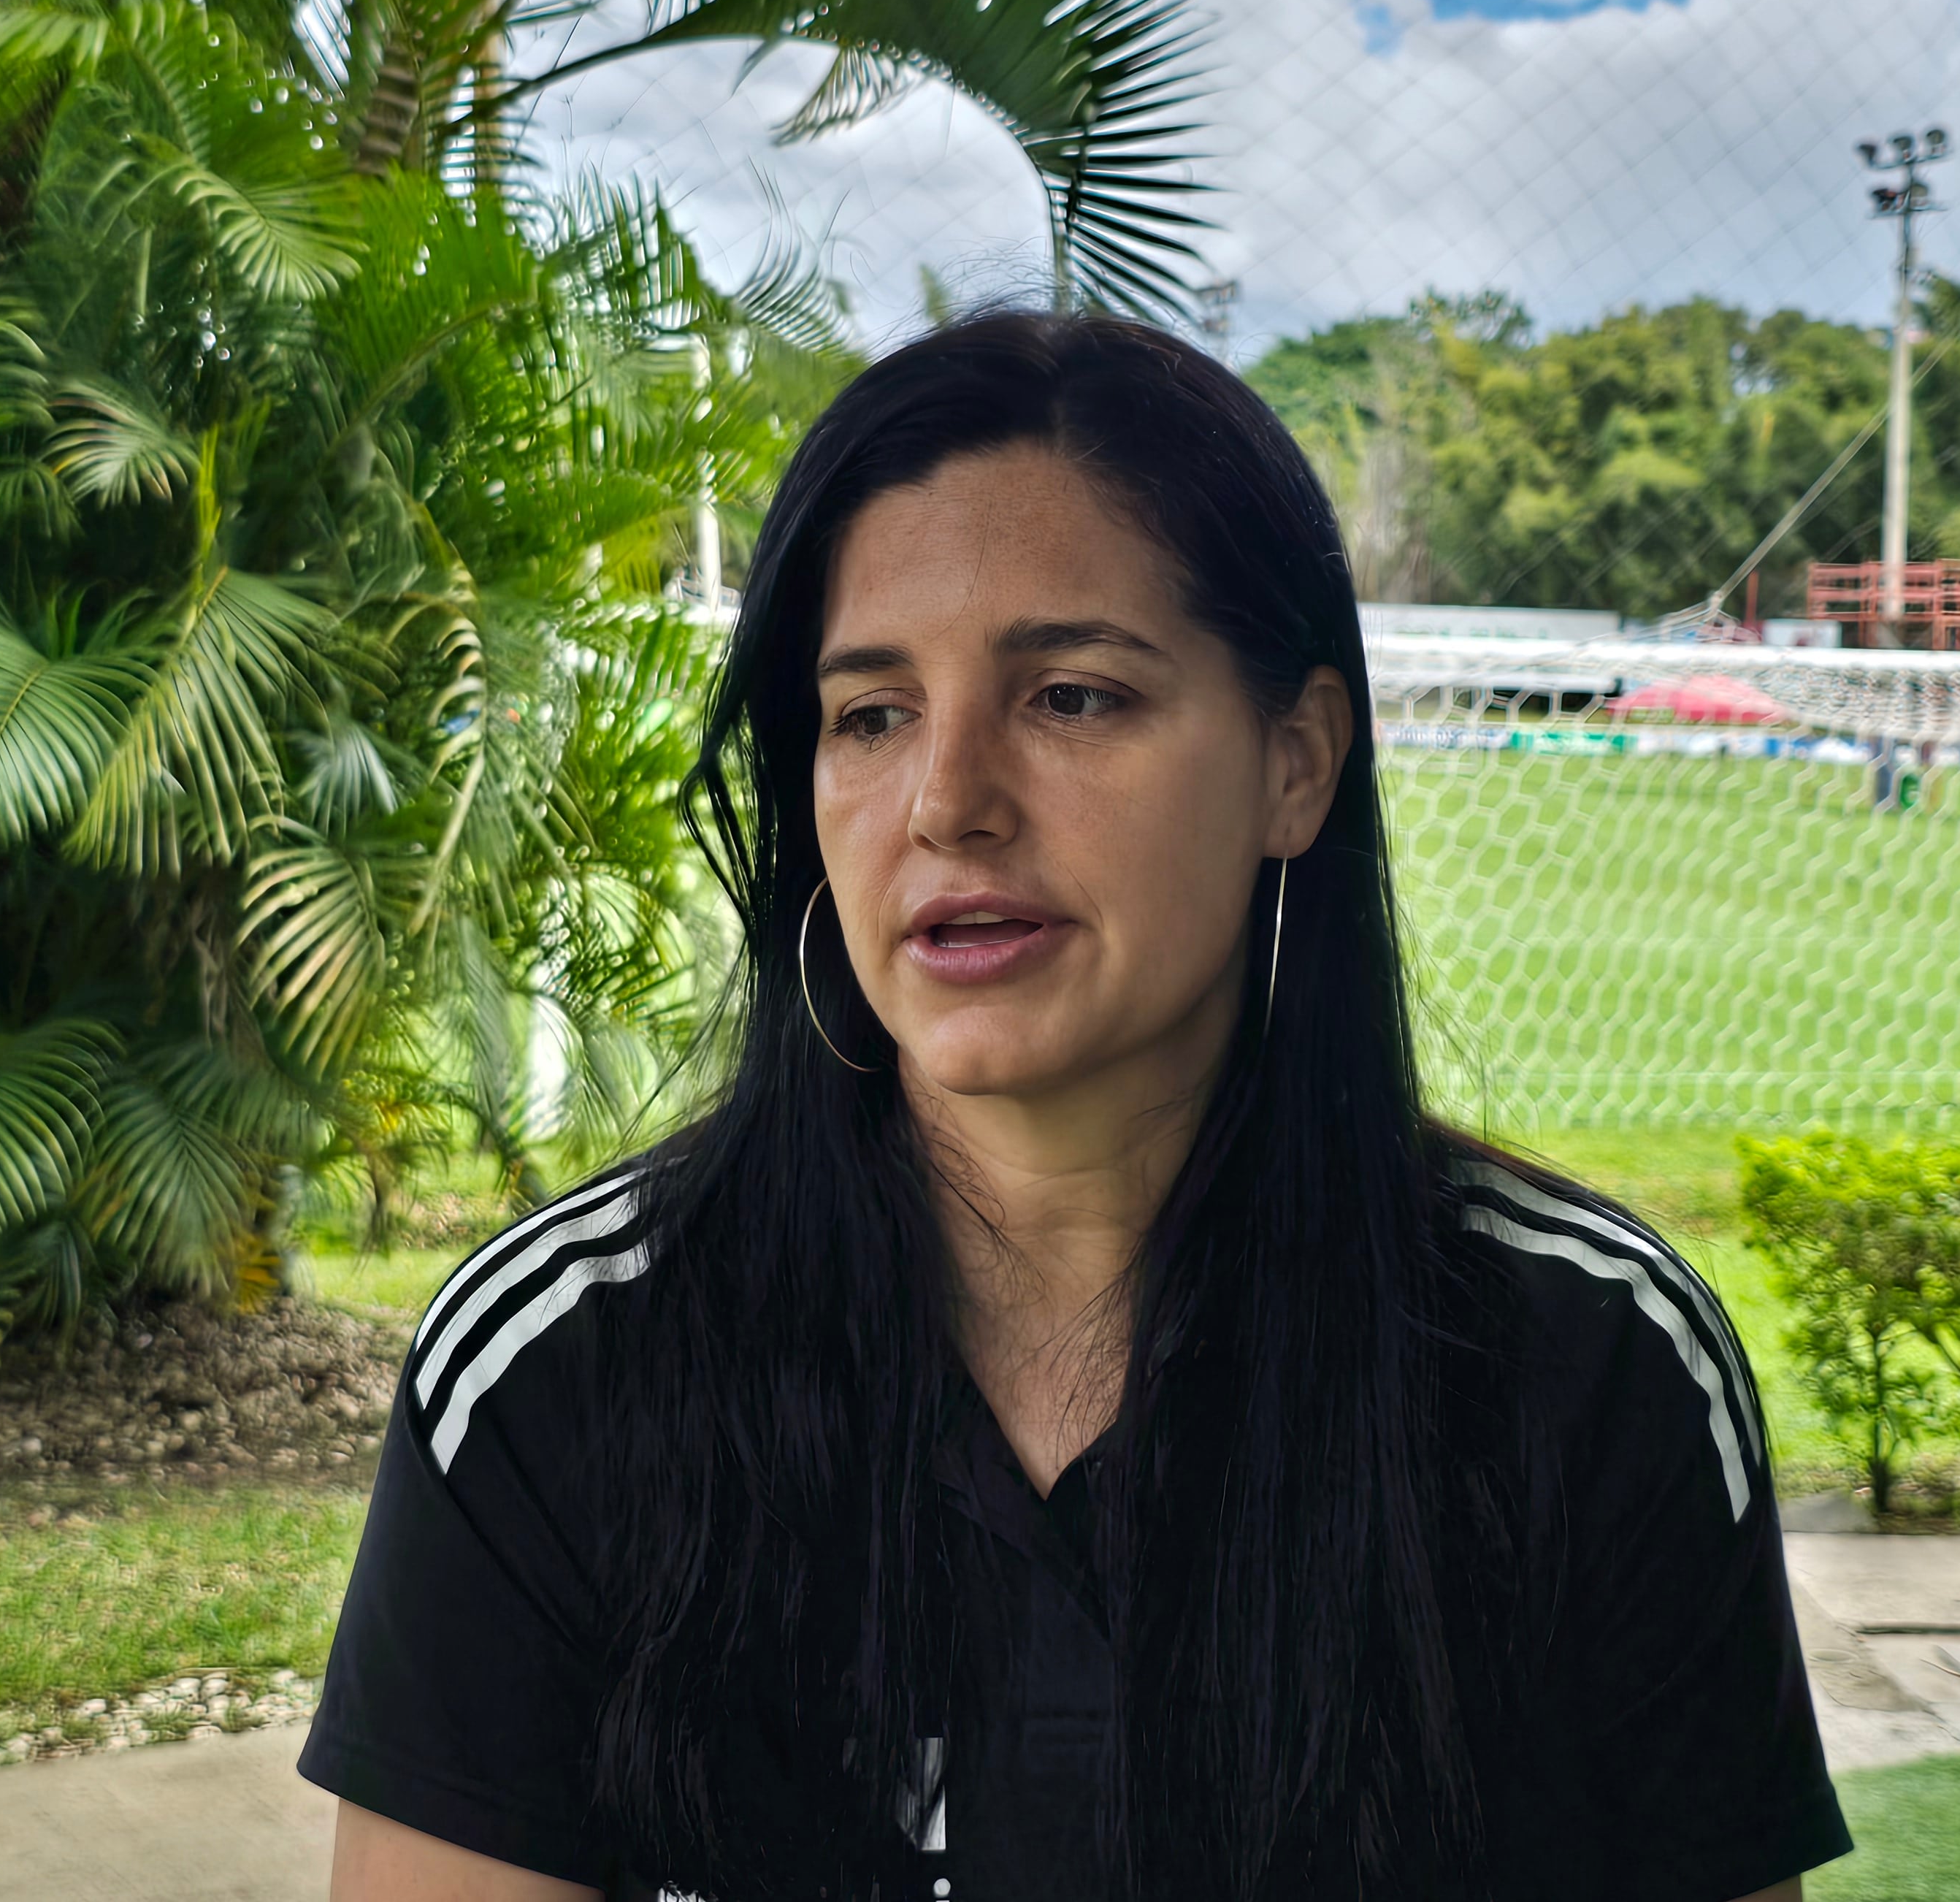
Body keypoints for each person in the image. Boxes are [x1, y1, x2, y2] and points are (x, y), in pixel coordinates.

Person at [300, 313, 1853, 1901]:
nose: (946, 800)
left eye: (1072, 697)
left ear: (1293, 763)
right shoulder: (565, 1367)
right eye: (869, 713)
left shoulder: (1583, 1364)